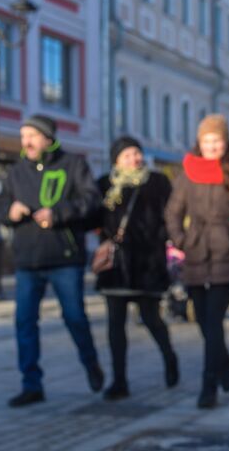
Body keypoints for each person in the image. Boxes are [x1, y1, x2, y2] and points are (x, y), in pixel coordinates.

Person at [0, 115, 104, 407]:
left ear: (47, 138)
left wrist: (59, 214)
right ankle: (31, 384)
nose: (26, 142)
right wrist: (10, 211)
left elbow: (92, 200)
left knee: (75, 317)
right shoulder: (16, 172)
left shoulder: (73, 165)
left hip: (64, 257)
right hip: (27, 260)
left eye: (32, 135)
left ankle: (91, 363)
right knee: (25, 323)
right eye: (23, 136)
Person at [165, 115, 229, 409]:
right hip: (195, 254)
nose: (211, 146)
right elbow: (172, 212)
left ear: (225, 143)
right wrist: (182, 240)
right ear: (200, 142)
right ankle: (225, 362)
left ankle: (208, 386)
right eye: (207, 141)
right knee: (205, 323)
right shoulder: (188, 172)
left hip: (228, 257)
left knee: (214, 320)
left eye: (217, 141)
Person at [94, 136, 179, 400]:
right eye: (128, 155)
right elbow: (93, 216)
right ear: (116, 160)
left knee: (152, 319)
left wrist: (161, 239)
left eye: (137, 153)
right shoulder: (105, 185)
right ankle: (119, 381)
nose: (135, 159)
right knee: (115, 326)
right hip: (116, 266)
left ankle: (169, 358)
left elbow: (171, 215)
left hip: (147, 263)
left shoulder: (157, 182)